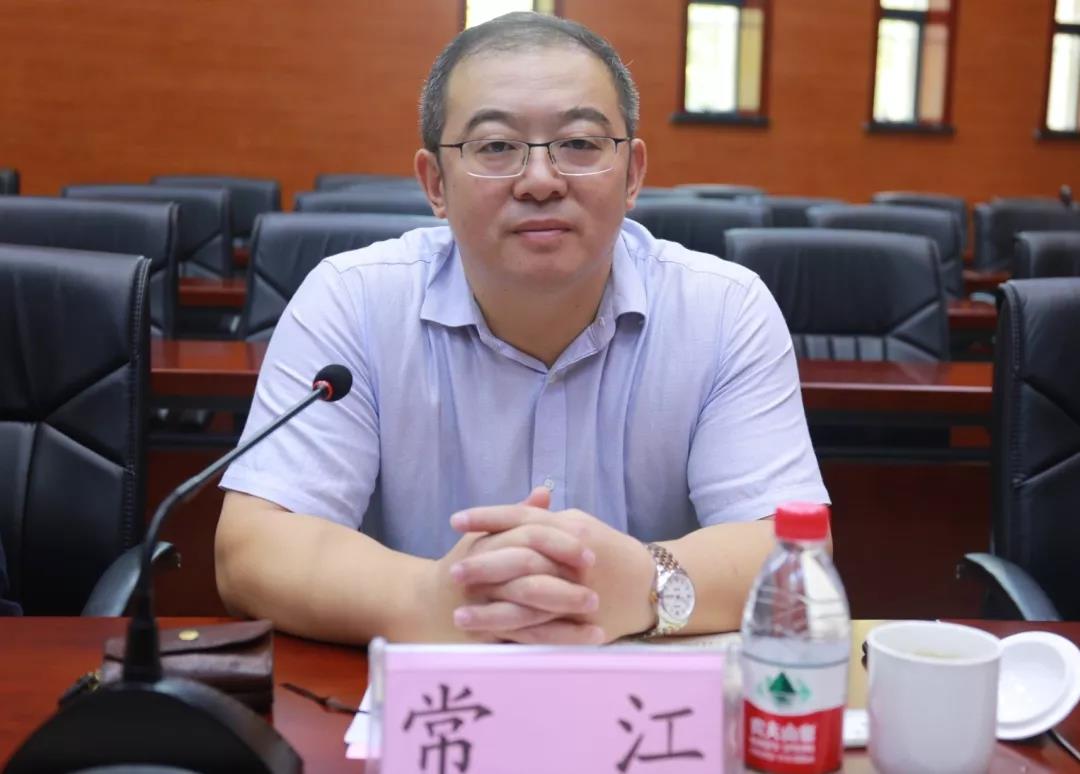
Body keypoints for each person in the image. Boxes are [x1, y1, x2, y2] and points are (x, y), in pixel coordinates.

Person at [216, 12, 828, 646]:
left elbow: (788, 548)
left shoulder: (724, 310)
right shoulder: (352, 300)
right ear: (435, 183)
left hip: (643, 696)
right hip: (429, 693)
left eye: (580, 143)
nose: (540, 181)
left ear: (633, 175)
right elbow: (253, 548)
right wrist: (432, 598)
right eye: (495, 147)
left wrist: (647, 584)